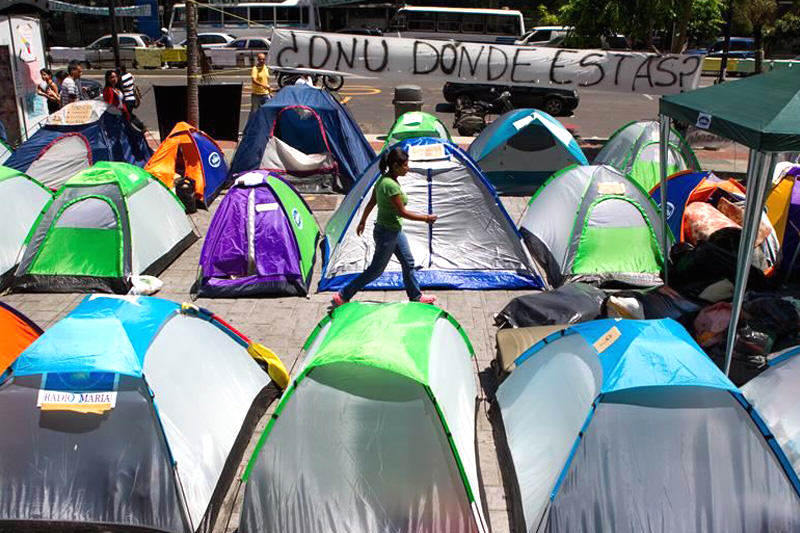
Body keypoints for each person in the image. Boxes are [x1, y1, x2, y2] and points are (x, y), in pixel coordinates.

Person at [332, 147, 437, 307]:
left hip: (394, 231)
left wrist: (363, 221)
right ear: (395, 166)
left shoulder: (383, 179)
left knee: (408, 262)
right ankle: (343, 295)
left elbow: (372, 202)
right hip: (387, 234)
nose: (408, 168)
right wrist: (426, 218)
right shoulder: (390, 186)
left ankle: (415, 296)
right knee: (375, 271)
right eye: (405, 165)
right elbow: (402, 212)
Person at [117, 65, 146, 131]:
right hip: (132, 98)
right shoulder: (130, 75)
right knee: (128, 115)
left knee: (128, 115)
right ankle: (139, 127)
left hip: (127, 100)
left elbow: (121, 89)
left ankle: (140, 126)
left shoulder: (121, 79)